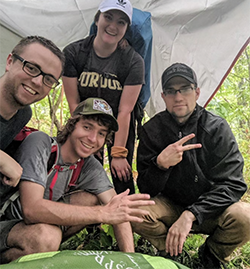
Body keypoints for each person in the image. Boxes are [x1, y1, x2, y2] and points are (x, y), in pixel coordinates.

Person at [0, 97, 154, 264]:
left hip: (36, 225)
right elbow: (32, 210)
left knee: (92, 198)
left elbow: (116, 207)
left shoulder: (89, 166)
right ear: (72, 125)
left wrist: (130, 260)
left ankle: (45, 246)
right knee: (47, 237)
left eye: (101, 133)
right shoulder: (41, 143)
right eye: (87, 127)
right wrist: (102, 213)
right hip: (7, 223)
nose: (93, 138)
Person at [132, 63, 250, 269]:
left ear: (196, 92)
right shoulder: (151, 130)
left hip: (210, 210)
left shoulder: (216, 128)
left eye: (185, 89)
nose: (178, 97)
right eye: (171, 91)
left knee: (246, 216)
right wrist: (160, 165)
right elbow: (146, 189)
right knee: (133, 211)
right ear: (163, 96)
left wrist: (192, 213)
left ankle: (212, 254)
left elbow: (234, 185)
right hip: (170, 206)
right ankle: (170, 251)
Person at [62, 0, 145, 194]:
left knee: (121, 173)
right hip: (85, 118)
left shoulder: (133, 62)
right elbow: (74, 103)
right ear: (97, 18)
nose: (113, 26)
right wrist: (86, 136)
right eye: (108, 17)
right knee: (84, 166)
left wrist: (118, 153)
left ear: (126, 28)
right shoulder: (74, 53)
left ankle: (126, 218)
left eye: (121, 22)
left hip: (118, 120)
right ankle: (89, 221)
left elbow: (125, 111)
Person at [0, 36, 65, 188]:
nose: (37, 82)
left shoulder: (23, 114)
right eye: (31, 68)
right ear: (10, 62)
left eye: (48, 79)